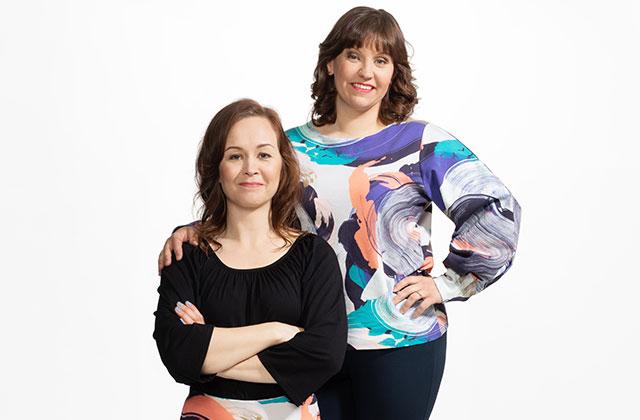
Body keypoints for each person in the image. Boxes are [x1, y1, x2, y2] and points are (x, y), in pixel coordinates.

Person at [158, 7, 521, 420]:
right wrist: (195, 231)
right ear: (331, 63)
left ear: (394, 73)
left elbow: (497, 208)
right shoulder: (288, 147)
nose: (366, 71)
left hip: (398, 341)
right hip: (303, 340)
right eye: (354, 55)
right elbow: (246, 202)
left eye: (381, 60)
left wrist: (449, 283)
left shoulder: (421, 143)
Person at [153, 99, 347, 419]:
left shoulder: (313, 256)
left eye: (264, 155)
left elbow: (324, 356)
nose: (250, 168)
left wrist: (208, 351)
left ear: (282, 166)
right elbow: (176, 352)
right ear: (216, 169)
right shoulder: (186, 254)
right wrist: (276, 332)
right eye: (235, 156)